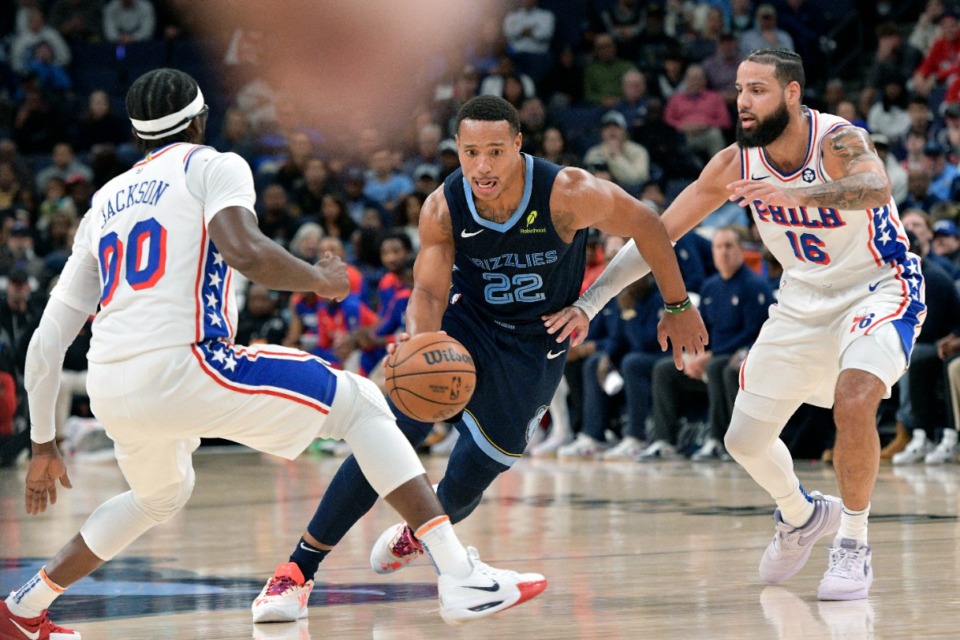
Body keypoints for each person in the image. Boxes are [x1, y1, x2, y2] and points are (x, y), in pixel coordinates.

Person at [0, 69, 548, 640]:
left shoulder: (104, 202)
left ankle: (23, 607)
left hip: (113, 387)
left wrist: (43, 443)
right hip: (189, 362)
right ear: (200, 119)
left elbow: (45, 342)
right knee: (363, 402)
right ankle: (459, 575)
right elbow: (244, 249)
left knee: (158, 496)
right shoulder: (213, 165)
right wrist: (319, 279)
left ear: (138, 135)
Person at [257, 94, 707, 620]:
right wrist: (419, 344)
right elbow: (425, 293)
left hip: (538, 341)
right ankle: (297, 571)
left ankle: (421, 534)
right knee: (387, 431)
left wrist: (677, 304)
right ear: (458, 151)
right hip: (466, 326)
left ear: (519, 145)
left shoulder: (567, 192)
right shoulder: (443, 207)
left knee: (470, 476)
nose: (482, 166)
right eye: (471, 153)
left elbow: (648, 224)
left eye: (495, 151)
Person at [545, 49, 925, 601]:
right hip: (801, 300)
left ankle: (853, 545)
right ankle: (801, 514)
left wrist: (793, 193)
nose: (743, 101)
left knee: (856, 396)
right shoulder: (732, 164)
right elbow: (658, 232)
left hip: (880, 285)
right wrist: (590, 303)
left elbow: (875, 188)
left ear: (792, 94)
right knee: (743, 439)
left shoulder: (838, 139)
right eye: (740, 90)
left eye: (759, 90)